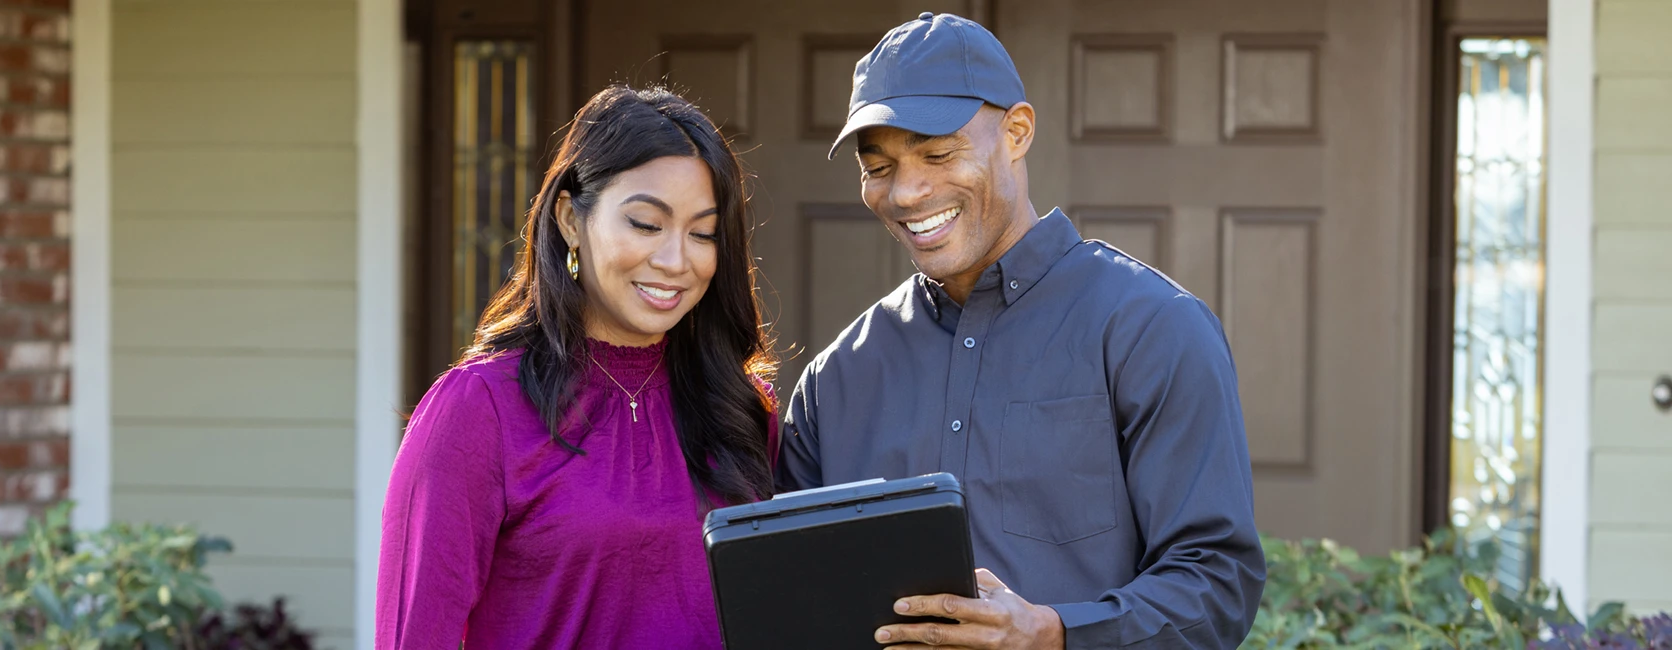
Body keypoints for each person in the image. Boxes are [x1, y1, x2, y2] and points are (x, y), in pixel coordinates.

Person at [779, 13, 1266, 649]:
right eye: (879, 167)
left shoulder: (1153, 329)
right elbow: (794, 597)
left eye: (938, 153)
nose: (907, 192)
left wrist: (1053, 635)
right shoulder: (836, 378)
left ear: (1017, 133)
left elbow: (1217, 582)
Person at [375, 85, 777, 649]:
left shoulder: (741, 407)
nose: (675, 260)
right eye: (646, 224)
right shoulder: (478, 410)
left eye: (703, 233)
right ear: (569, 219)